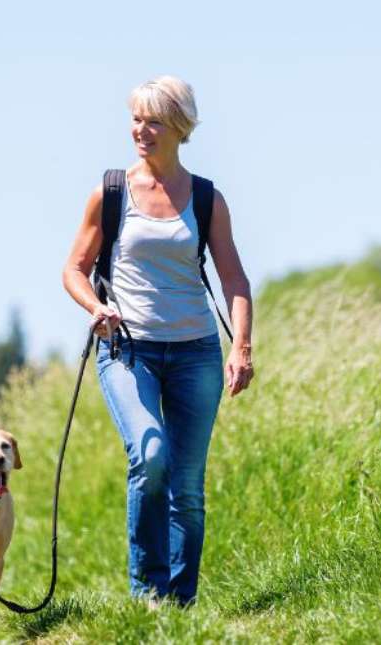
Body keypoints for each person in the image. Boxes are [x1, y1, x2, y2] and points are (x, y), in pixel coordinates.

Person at [62, 76, 254, 607]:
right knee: (150, 456)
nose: (140, 130)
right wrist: (96, 307)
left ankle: (179, 605)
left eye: (152, 121)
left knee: (187, 489)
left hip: (196, 352)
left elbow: (234, 279)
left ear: (179, 127)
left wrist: (241, 345)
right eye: (136, 119)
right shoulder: (112, 191)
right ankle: (146, 595)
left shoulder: (207, 198)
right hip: (129, 350)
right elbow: (74, 269)